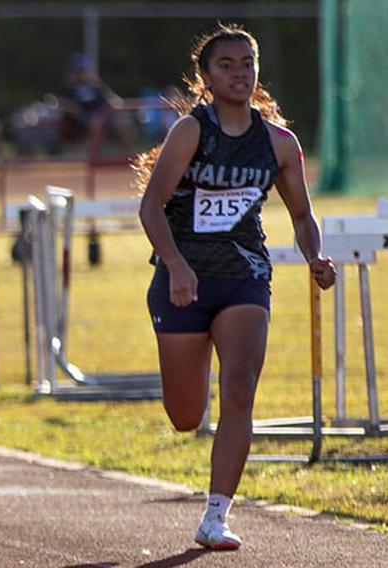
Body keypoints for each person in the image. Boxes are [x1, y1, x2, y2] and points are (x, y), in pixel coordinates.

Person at [135, 24, 335, 551]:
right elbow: (151, 205)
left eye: (248, 63)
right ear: (206, 76)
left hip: (245, 277)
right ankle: (192, 411)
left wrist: (315, 255)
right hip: (183, 280)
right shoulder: (190, 131)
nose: (239, 72)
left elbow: (302, 214)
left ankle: (216, 515)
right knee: (185, 416)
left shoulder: (278, 143)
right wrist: (176, 266)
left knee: (241, 387)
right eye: (227, 64)